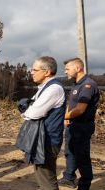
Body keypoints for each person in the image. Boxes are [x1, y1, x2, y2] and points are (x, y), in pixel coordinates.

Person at [21, 56, 66, 190]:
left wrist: (28, 112)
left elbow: (32, 113)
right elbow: (27, 106)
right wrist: (29, 111)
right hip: (41, 139)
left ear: (46, 72)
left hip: (47, 140)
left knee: (47, 180)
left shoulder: (54, 89)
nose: (31, 72)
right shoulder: (44, 88)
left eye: (35, 70)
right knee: (43, 178)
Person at [57, 58, 100, 190]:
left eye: (67, 69)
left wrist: (61, 116)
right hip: (74, 124)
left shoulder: (88, 85)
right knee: (70, 151)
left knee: (82, 156)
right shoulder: (76, 84)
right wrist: (67, 116)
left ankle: (84, 185)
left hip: (82, 125)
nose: (65, 72)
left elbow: (80, 109)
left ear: (78, 68)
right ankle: (69, 177)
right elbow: (73, 104)